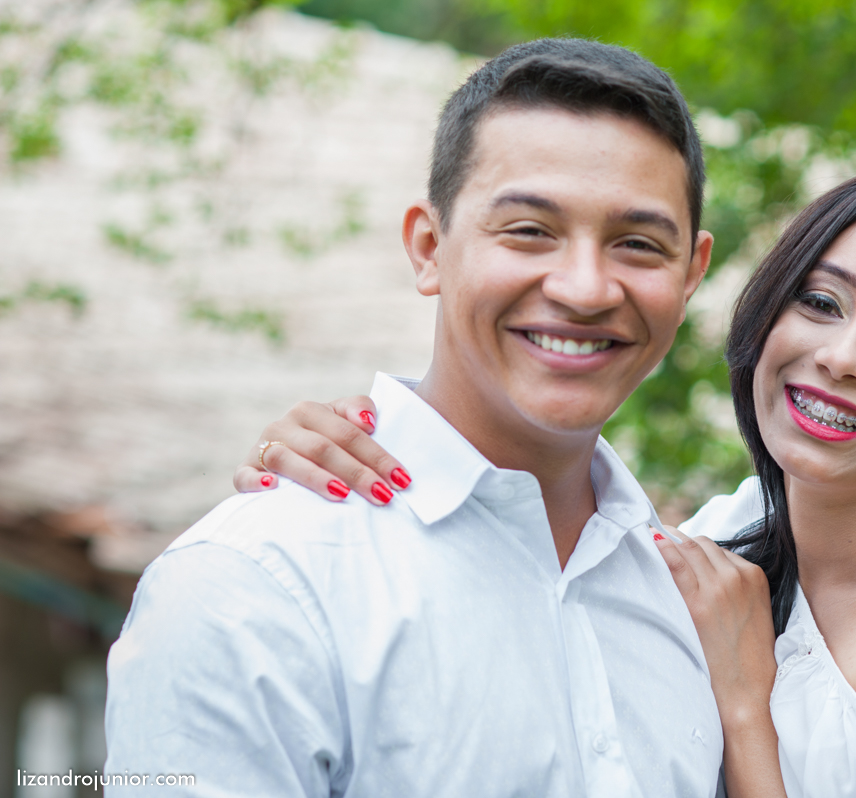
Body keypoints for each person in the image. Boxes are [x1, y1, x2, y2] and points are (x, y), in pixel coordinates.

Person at [243, 166, 856, 797]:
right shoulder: (731, 530)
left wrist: (746, 706)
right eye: (821, 302)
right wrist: (347, 443)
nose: (840, 356)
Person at [105, 38, 726, 797]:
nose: (586, 287)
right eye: (530, 230)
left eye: (637, 244)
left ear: (691, 273)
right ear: (429, 247)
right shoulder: (256, 583)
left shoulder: (699, 596)